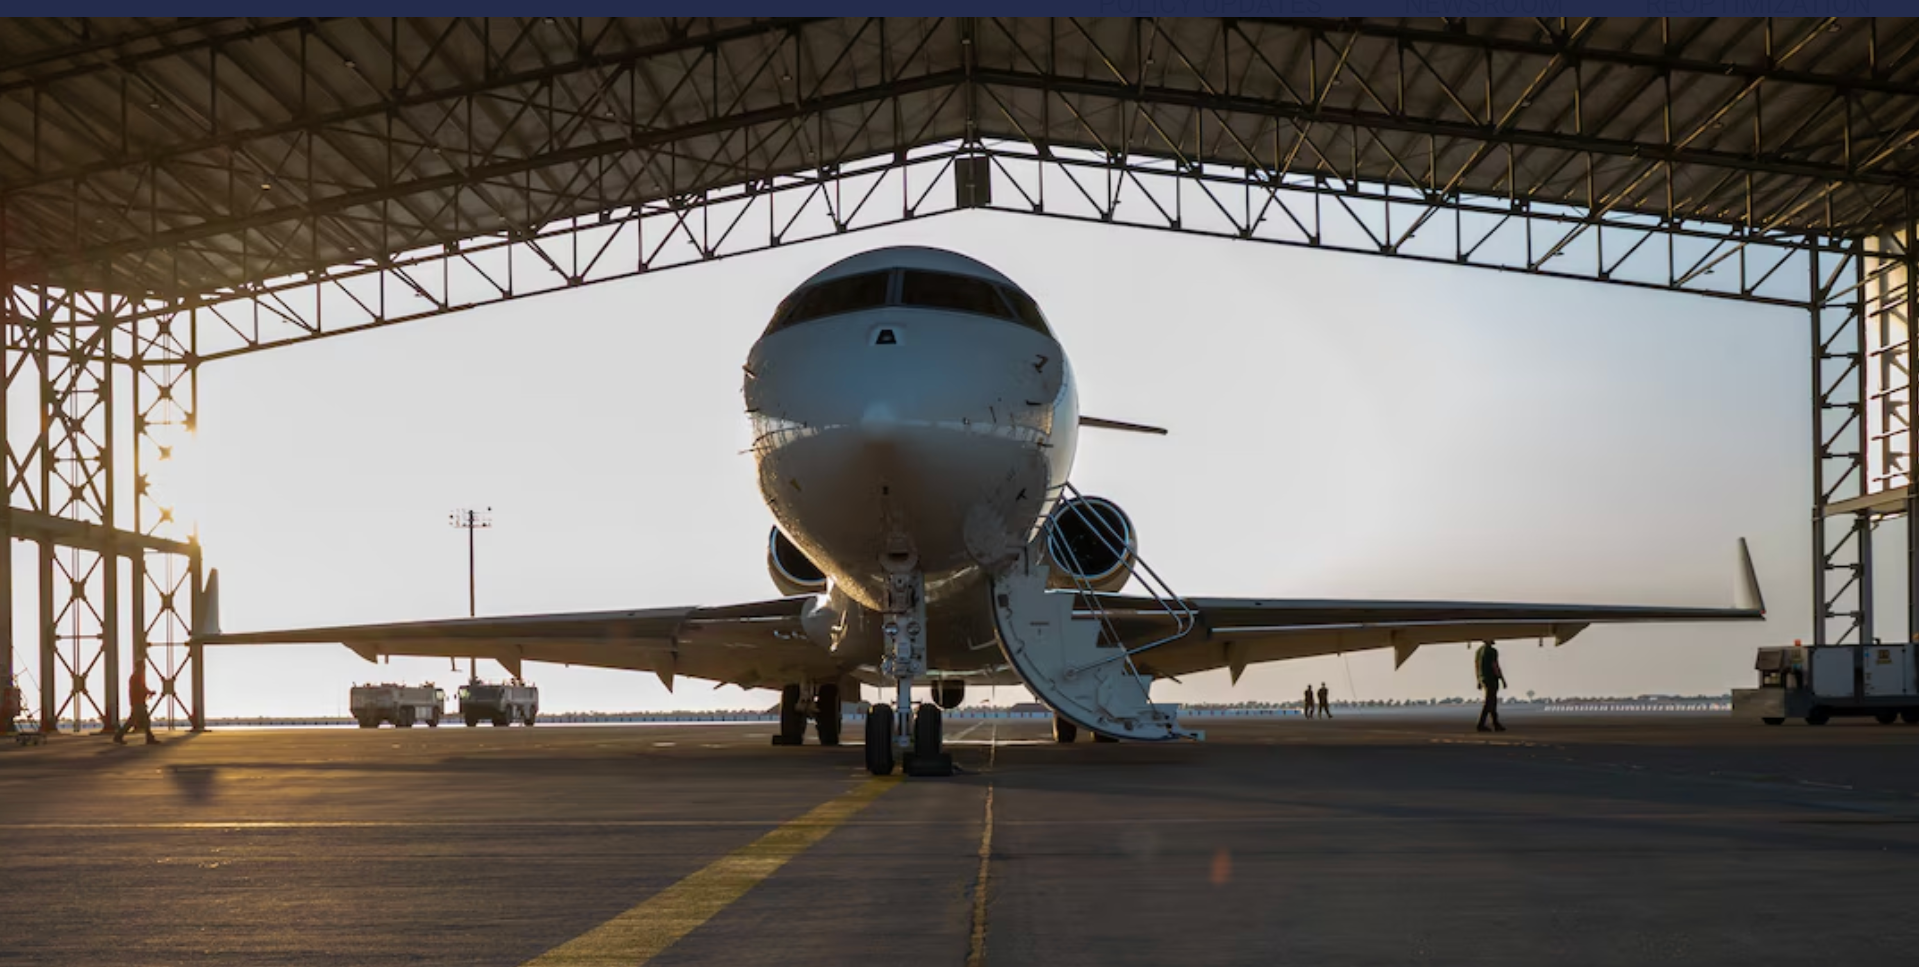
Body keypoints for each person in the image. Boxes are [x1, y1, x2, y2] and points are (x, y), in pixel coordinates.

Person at [113, 664, 158, 745]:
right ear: (139, 668)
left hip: (137, 702)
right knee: (139, 721)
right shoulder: (136, 677)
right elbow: (140, 689)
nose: (144, 669)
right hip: (138, 703)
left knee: (137, 720)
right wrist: (148, 693)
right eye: (143, 668)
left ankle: (119, 736)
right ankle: (118, 736)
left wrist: (149, 692)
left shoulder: (136, 677)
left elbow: (142, 688)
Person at [1475, 640, 1506, 733]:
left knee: (1492, 701)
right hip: (1491, 679)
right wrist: (1502, 679)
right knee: (1489, 702)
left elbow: (1476, 666)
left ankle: (1496, 723)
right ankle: (1481, 724)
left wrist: (1478, 680)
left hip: (1483, 678)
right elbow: (1495, 666)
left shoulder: (1479, 651)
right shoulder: (1492, 651)